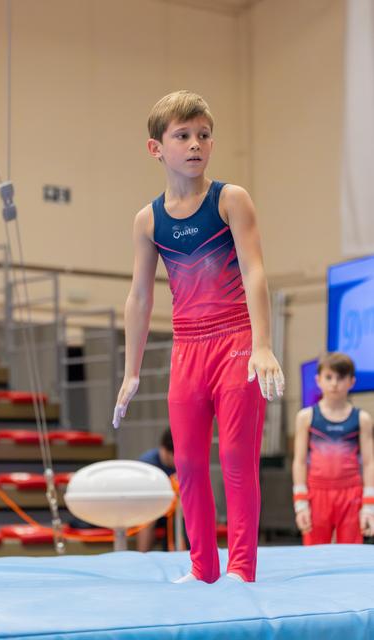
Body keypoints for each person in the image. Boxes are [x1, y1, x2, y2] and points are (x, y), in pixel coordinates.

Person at [112, 90, 284, 584]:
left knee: (235, 457)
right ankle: (203, 566)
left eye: (203, 135)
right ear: (156, 149)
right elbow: (140, 298)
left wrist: (263, 344)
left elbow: (255, 272)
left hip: (236, 342)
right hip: (187, 347)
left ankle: (242, 568)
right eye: (182, 136)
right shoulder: (148, 220)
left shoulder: (230, 199)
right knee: (187, 463)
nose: (195, 145)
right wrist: (130, 371)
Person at [292, 352, 374, 545]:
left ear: (352, 381)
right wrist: (301, 503)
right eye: (329, 377)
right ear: (318, 380)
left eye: (341, 377)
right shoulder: (306, 417)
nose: (334, 383)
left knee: (351, 556)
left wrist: (369, 506)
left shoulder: (362, 419)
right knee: (314, 557)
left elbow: (370, 463)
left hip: (351, 494)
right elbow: (300, 461)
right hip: (317, 493)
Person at [137, 428, 178, 552]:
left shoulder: (183, 464)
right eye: (175, 457)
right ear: (165, 450)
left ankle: (185, 557)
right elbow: (143, 500)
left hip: (171, 510)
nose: (178, 461)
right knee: (148, 514)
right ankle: (142, 556)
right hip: (149, 511)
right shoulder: (147, 465)